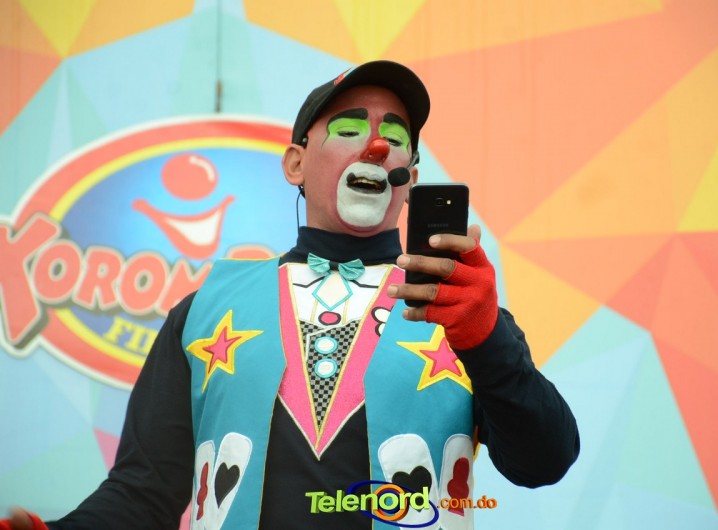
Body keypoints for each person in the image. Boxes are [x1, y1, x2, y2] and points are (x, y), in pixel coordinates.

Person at [2, 60, 579, 530]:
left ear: (411, 173)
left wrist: (489, 340)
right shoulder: (205, 309)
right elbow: (144, 492)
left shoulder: (463, 313)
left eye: (396, 137)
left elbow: (544, 462)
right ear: (296, 163)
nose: (377, 147)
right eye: (349, 130)